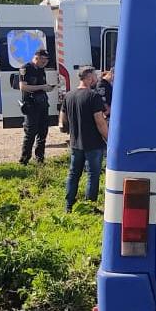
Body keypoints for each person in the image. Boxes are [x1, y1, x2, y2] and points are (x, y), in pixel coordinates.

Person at [59, 66, 109, 213]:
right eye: (94, 76)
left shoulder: (69, 96)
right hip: (93, 144)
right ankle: (89, 207)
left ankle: (68, 205)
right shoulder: (93, 97)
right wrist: (109, 140)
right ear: (89, 77)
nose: (96, 79)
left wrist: (72, 130)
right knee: (93, 175)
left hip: (75, 143)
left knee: (74, 173)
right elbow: (100, 122)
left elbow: (62, 122)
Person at [19, 49, 54, 165]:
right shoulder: (26, 68)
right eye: (43, 60)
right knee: (30, 133)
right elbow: (23, 87)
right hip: (31, 105)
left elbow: (41, 85)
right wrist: (42, 87)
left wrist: (47, 87)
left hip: (42, 103)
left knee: (43, 132)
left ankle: (40, 159)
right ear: (36, 58)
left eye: (46, 60)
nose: (45, 63)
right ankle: (24, 160)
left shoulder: (41, 69)